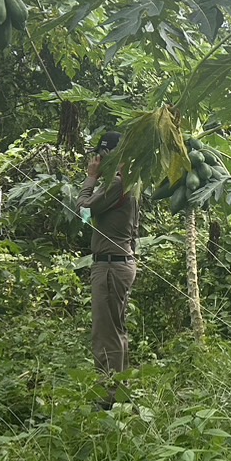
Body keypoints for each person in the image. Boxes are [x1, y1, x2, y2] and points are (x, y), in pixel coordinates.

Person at [80, 131, 139, 404]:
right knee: (117, 332)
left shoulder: (116, 184)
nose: (97, 161)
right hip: (119, 265)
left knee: (105, 335)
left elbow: (83, 210)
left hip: (110, 268)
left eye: (101, 156)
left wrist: (91, 178)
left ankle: (109, 399)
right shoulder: (129, 182)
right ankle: (119, 392)